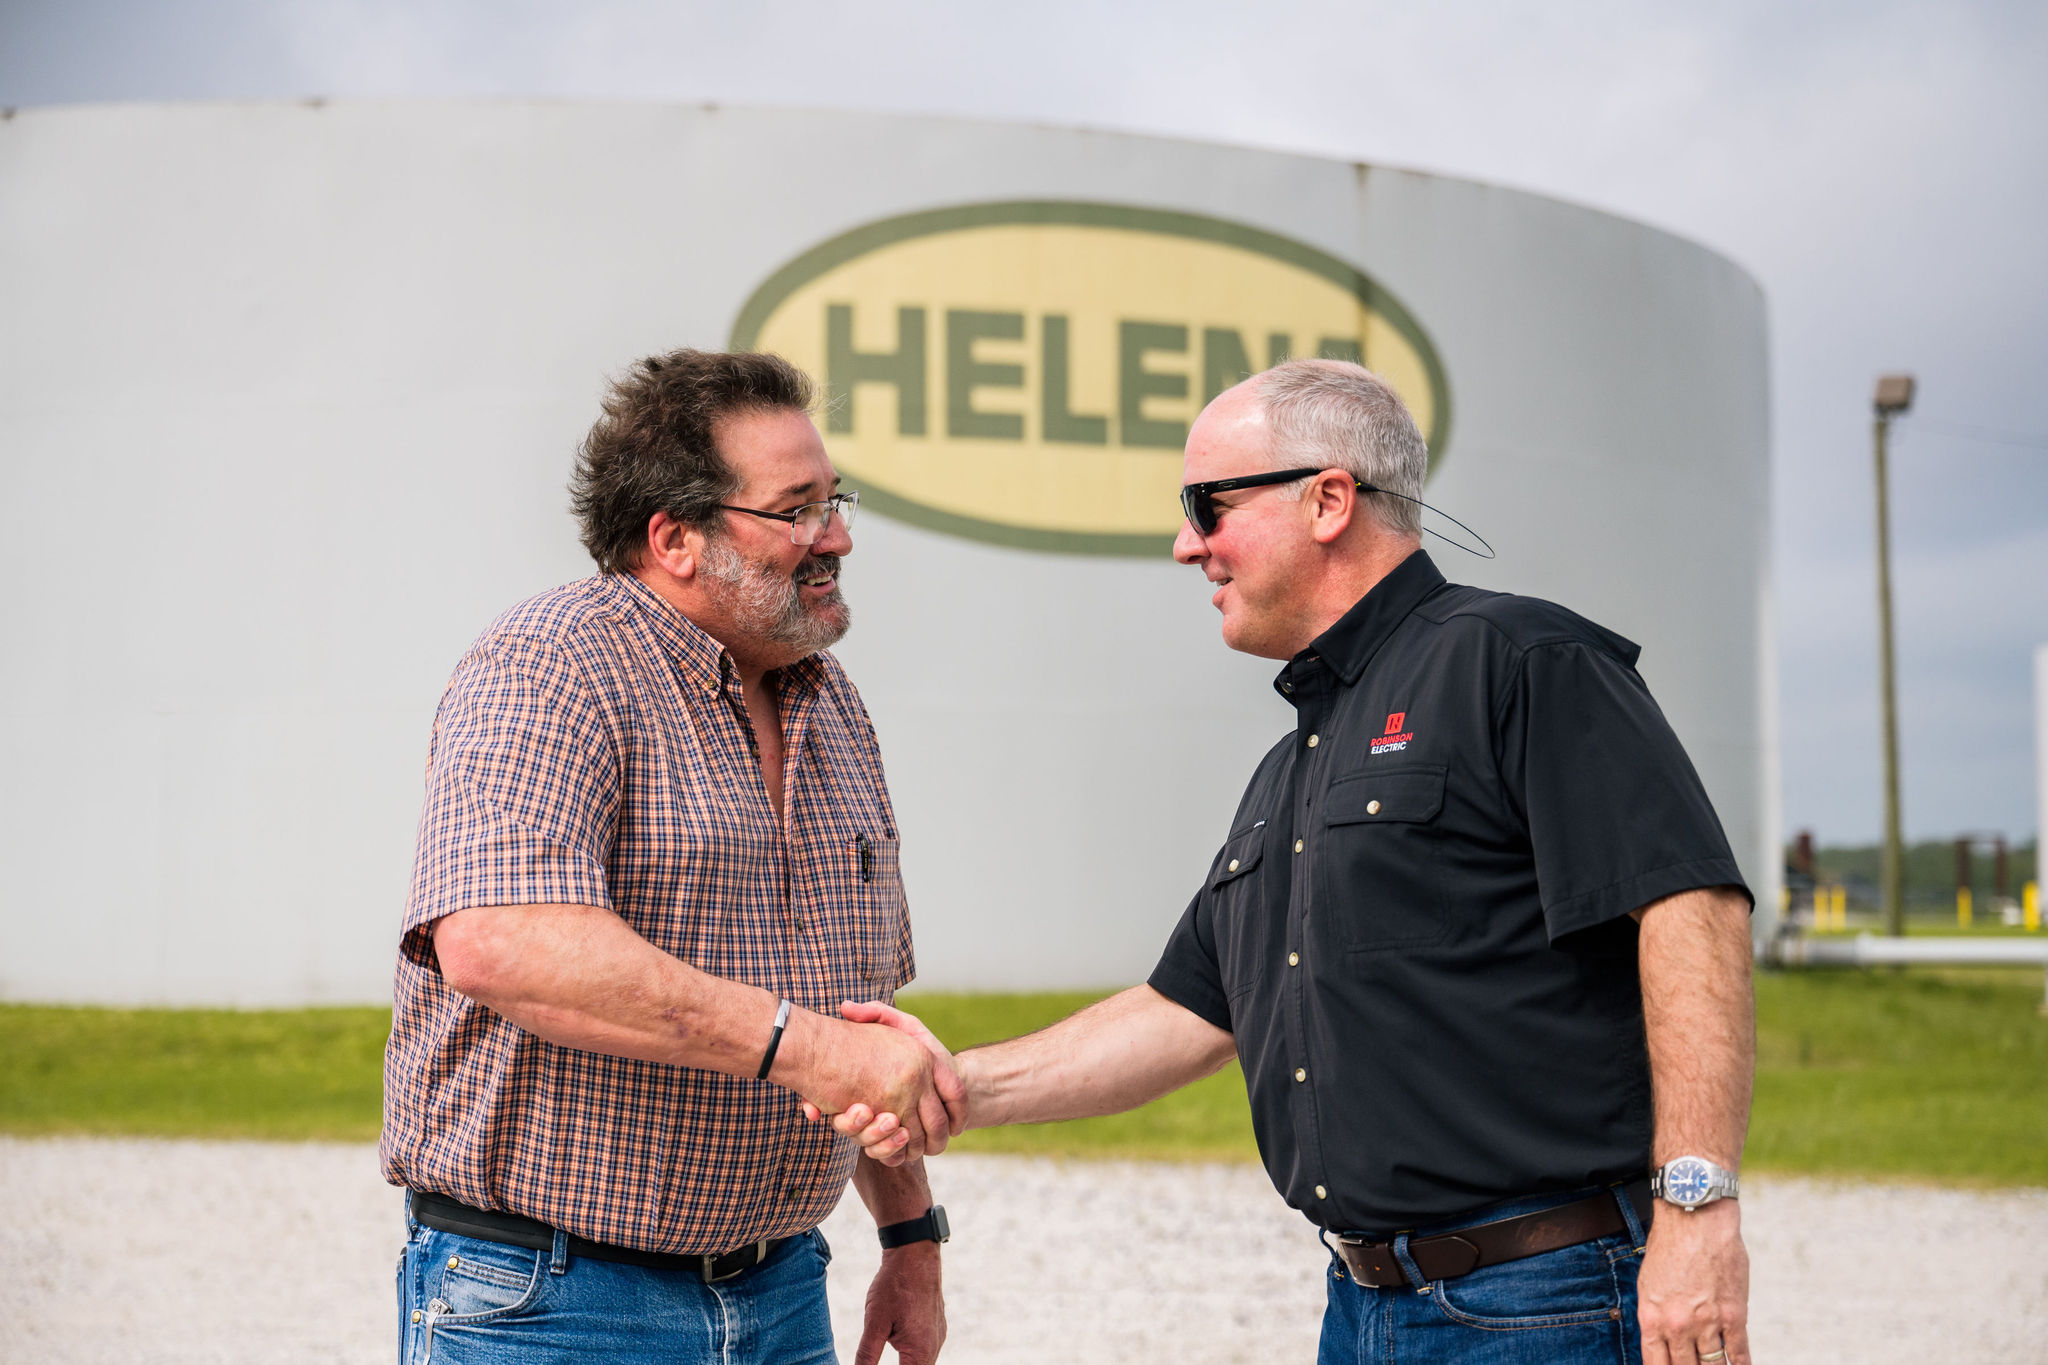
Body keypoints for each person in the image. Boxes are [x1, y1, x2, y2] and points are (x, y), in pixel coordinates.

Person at [824, 358, 1757, 1365]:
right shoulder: (1291, 766)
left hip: (1542, 1301)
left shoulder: (1520, 660)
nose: (1187, 547)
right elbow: (1190, 1010)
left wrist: (1697, 1211)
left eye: (1207, 506)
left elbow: (1687, 908)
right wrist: (950, 1083)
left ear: (1326, 500)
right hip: (1361, 1307)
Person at [380, 349, 960, 1365]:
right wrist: (811, 1052)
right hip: (551, 1307)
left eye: (835, 501)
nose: (838, 537)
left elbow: (854, 1022)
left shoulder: (830, 704)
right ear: (674, 539)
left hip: (782, 1294)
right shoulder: (549, 663)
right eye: (797, 510)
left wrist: (910, 1239)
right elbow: (499, 942)